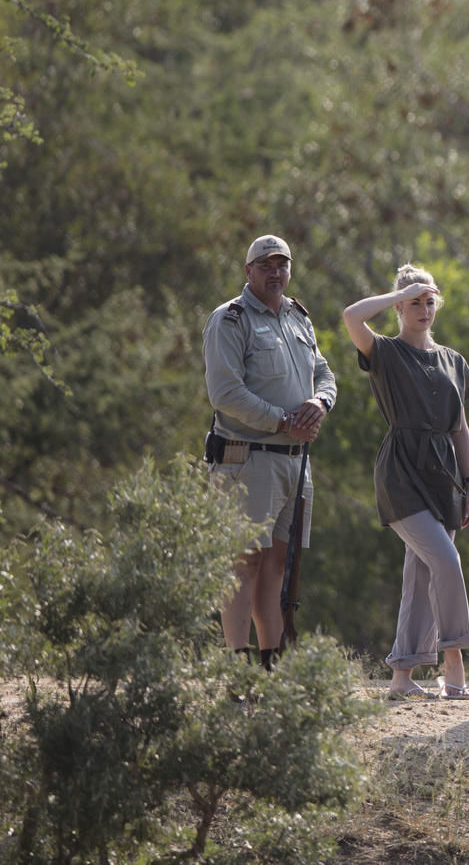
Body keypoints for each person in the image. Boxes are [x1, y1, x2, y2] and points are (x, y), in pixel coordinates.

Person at [342, 265, 469, 701]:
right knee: (445, 561)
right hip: (401, 473)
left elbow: (460, 428)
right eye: (415, 301)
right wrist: (399, 291)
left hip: (444, 476)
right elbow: (351, 316)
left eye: (429, 301)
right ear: (401, 306)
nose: (424, 308)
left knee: (420, 574)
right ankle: (454, 657)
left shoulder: (453, 360)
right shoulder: (384, 351)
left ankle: (402, 676)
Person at [202, 234, 336, 669]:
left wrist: (320, 403)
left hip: (296, 464)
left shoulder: (299, 317)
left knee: (278, 564)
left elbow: (323, 371)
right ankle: (237, 668)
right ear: (248, 272)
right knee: (244, 564)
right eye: (265, 265)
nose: (275, 273)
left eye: (282, 265)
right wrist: (282, 420)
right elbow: (225, 393)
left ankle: (270, 668)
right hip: (249, 458)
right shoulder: (231, 319)